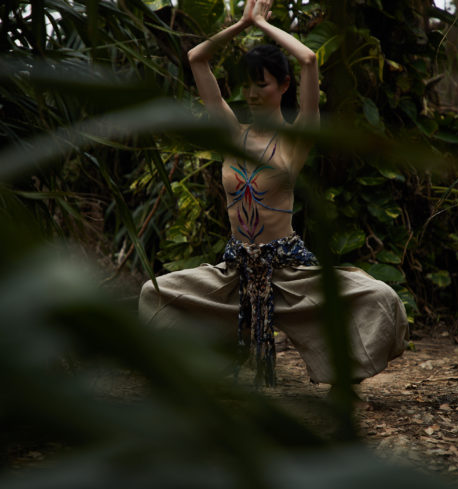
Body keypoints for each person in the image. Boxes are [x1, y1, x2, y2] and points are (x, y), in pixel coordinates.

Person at [139, 0, 408, 386]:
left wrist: (263, 25)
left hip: (287, 270)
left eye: (260, 84)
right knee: (155, 294)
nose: (250, 93)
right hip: (235, 270)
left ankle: (344, 374)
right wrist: (242, 23)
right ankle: (193, 373)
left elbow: (309, 60)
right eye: (246, 84)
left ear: (283, 86)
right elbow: (197, 58)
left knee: (379, 297)